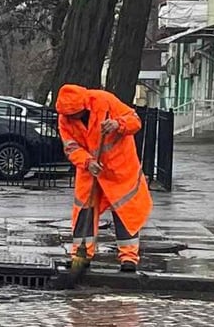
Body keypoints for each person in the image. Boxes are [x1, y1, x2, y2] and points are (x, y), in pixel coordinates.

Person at [56, 84, 153, 272]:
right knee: (84, 210)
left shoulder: (104, 101)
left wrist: (118, 124)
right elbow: (71, 147)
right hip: (90, 169)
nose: (72, 118)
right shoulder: (65, 119)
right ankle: (81, 255)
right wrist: (87, 162)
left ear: (84, 106)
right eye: (68, 115)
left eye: (75, 114)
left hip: (119, 166)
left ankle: (129, 258)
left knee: (125, 211)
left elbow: (135, 121)